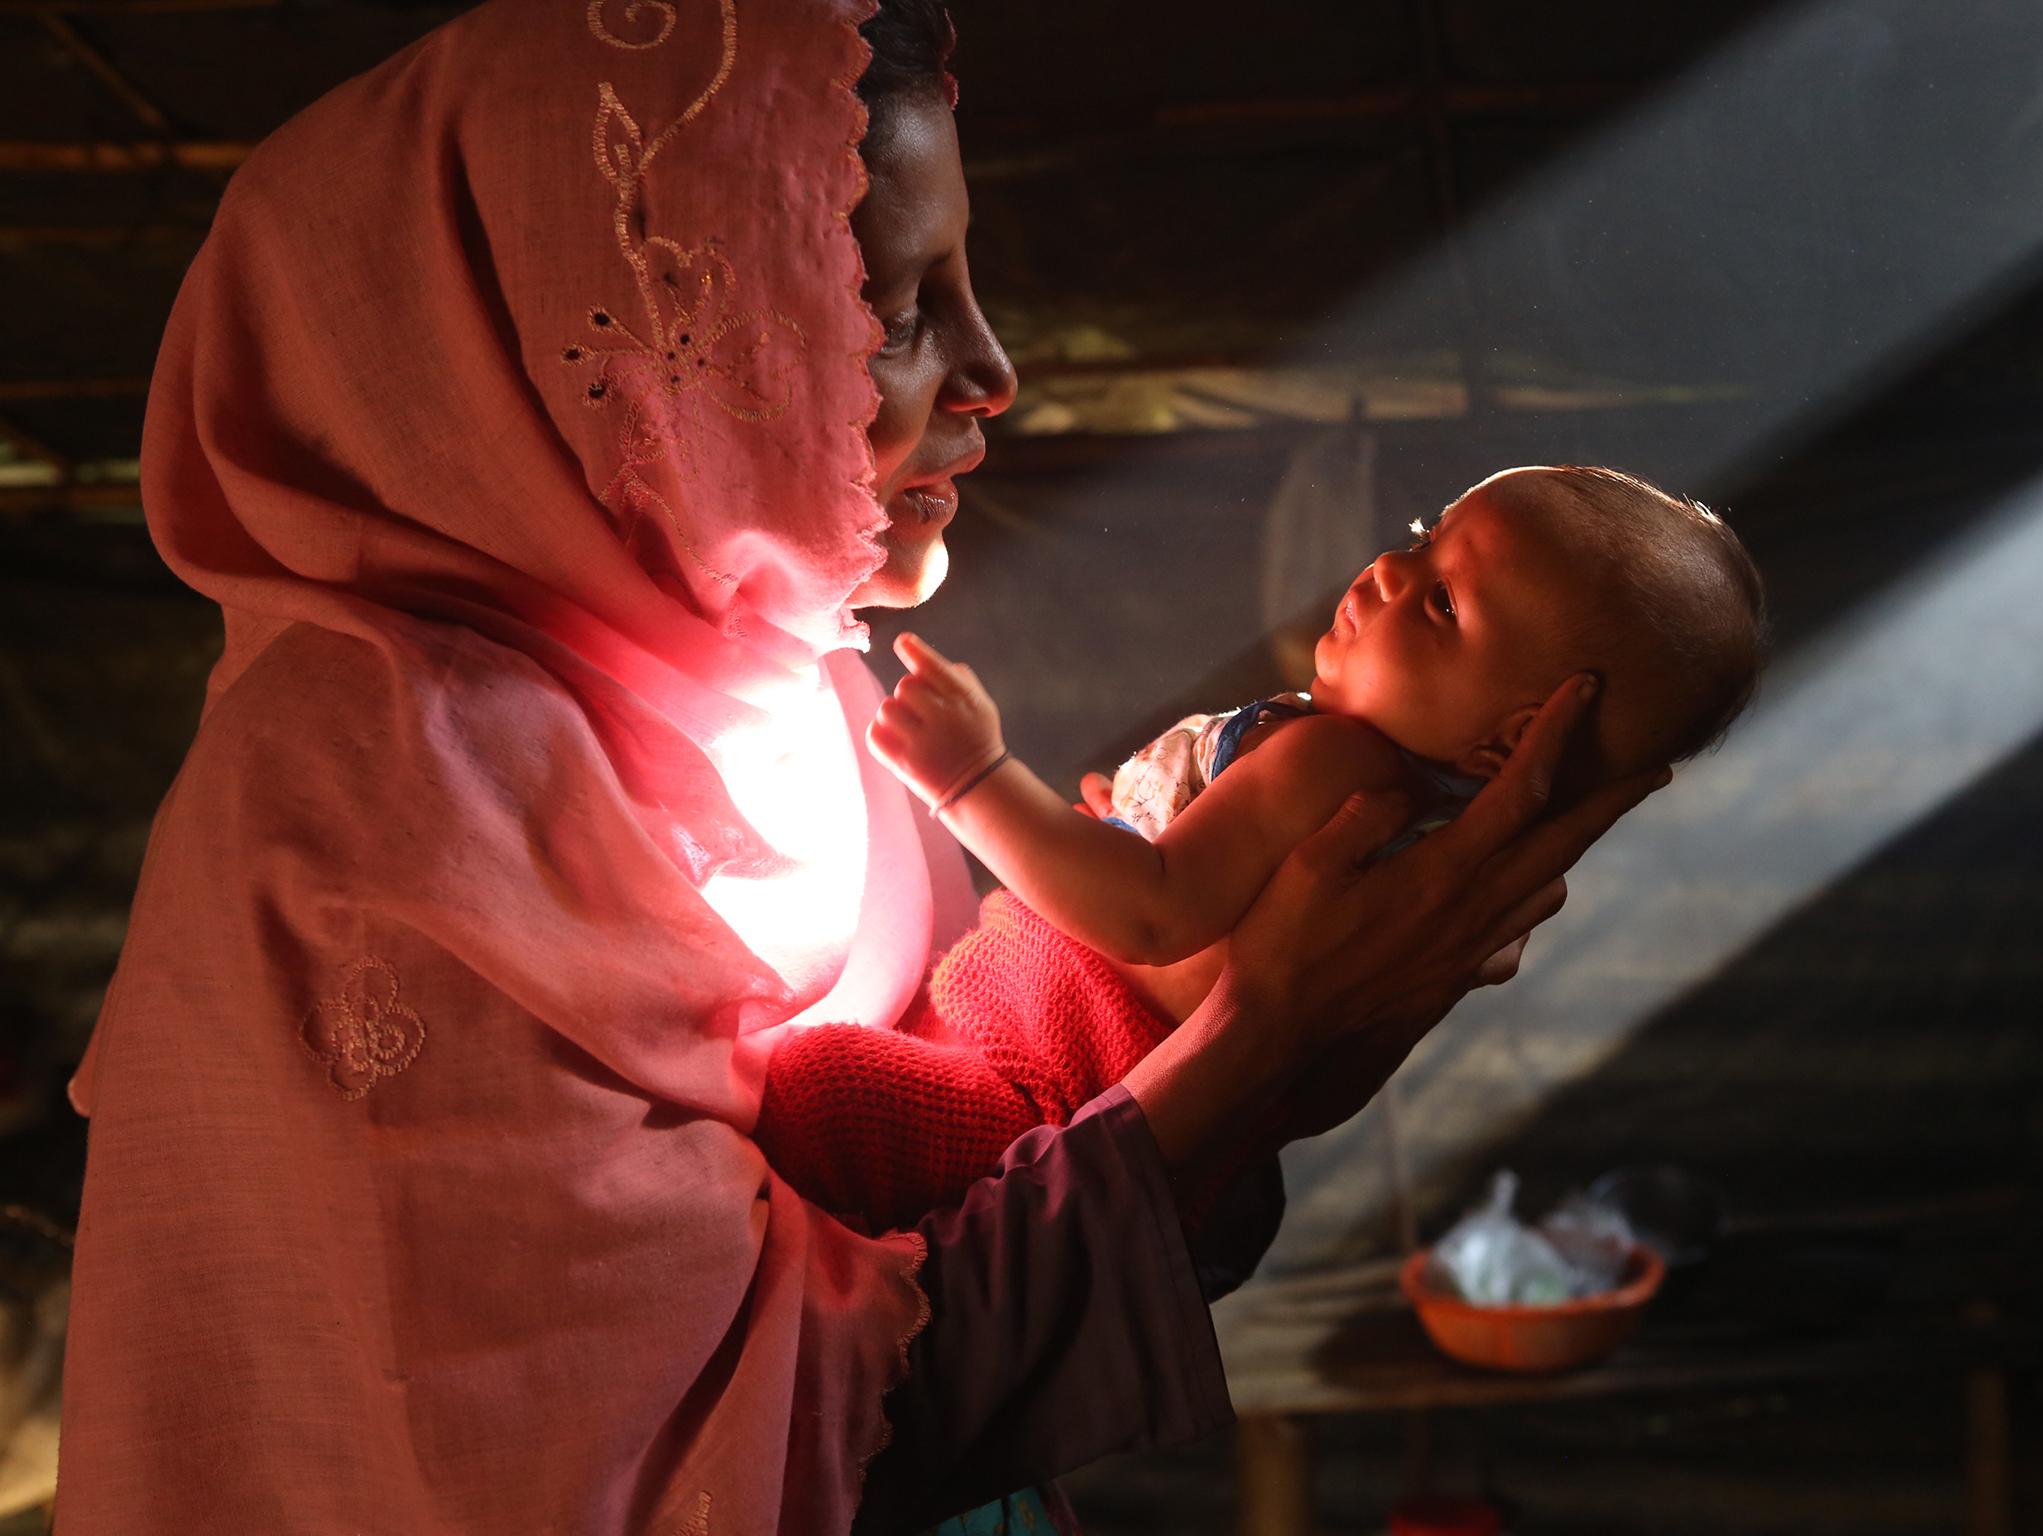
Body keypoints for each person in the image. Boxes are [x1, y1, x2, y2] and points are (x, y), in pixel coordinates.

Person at [53, 3, 1663, 1535]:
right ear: (598, 345)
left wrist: (1243, 1035)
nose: (990, 369)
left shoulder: (789, 676)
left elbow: (1001, 1158)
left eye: (961, 283)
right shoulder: (369, 817)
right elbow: (663, 1454)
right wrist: (1258, 1042)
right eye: (889, 309)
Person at [755, 465, 1763, 1239]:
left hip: (1041, 1076)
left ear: (1510, 740)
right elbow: (1310, 1085)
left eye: (1443, 604)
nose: (1387, 570)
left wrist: (971, 777)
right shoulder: (1418, 854)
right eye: (1423, 541)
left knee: (816, 1094)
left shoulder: (1334, 764)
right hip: (1111, 1128)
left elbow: (1144, 917)